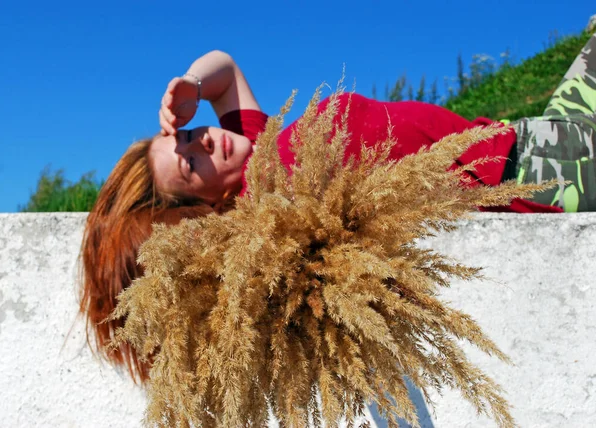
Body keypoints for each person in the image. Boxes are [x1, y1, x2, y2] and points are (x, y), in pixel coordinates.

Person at [80, 34, 596, 381]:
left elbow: (226, 69)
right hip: (532, 176)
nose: (207, 143)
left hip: (520, 136)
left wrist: (189, 85)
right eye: (191, 164)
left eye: (192, 136)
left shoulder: (261, 153)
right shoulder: (272, 211)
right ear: (201, 207)